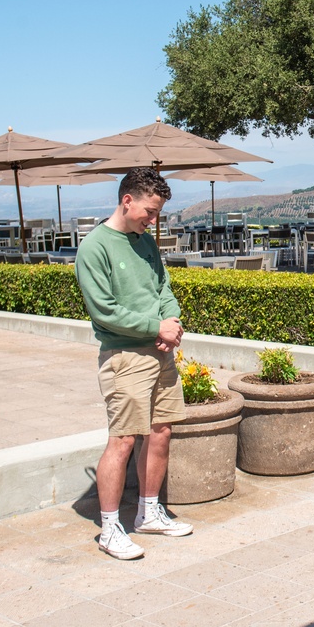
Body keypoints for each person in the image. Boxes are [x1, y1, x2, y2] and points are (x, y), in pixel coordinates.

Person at [75, 167, 193, 560]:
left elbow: (163, 287)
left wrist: (171, 322)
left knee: (160, 432)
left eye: (157, 212)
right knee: (123, 439)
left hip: (159, 352)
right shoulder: (95, 247)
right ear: (127, 200)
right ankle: (110, 529)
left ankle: (148, 512)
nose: (153, 219)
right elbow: (104, 311)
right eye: (149, 210)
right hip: (124, 357)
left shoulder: (145, 242)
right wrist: (154, 326)